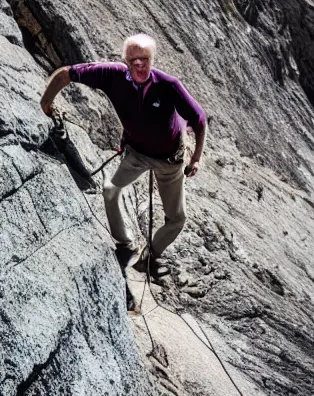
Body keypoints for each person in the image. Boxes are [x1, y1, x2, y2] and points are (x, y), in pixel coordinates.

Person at [40, 33, 207, 277]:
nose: (139, 64)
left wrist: (196, 159)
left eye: (145, 59)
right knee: (110, 191)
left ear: (152, 59)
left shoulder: (169, 86)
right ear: (124, 60)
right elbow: (67, 73)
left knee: (177, 219)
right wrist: (46, 101)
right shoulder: (112, 75)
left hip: (170, 160)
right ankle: (125, 245)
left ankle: (149, 257)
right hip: (136, 153)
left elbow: (199, 120)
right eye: (133, 59)